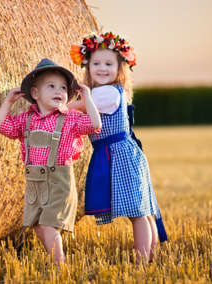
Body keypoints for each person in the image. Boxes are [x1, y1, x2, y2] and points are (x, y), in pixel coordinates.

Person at [69, 32, 168, 263]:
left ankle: (143, 261)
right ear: (88, 66)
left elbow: (76, 107)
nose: (102, 68)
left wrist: (53, 104)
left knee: (138, 213)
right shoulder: (106, 91)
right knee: (142, 211)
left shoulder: (106, 93)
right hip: (121, 153)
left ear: (119, 68)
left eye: (108, 64)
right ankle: (150, 259)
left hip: (120, 155)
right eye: (96, 63)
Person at [0, 58, 101, 264]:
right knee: (38, 225)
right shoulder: (26, 120)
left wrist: (87, 96)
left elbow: (95, 124)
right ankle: (56, 259)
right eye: (51, 86)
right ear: (35, 94)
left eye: (63, 87)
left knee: (49, 226)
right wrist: (7, 102)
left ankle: (59, 265)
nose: (58, 91)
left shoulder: (70, 118)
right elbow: (2, 126)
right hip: (35, 182)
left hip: (59, 182)